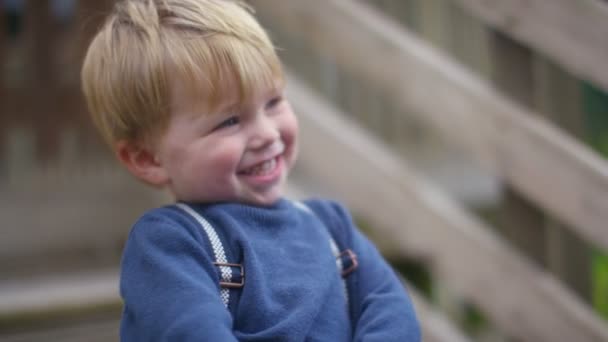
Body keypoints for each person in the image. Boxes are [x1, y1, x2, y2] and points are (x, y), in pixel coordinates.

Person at [80, 0, 420, 340]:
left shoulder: (333, 228)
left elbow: (390, 308)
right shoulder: (170, 246)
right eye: (229, 121)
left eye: (273, 102)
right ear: (147, 158)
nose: (267, 134)